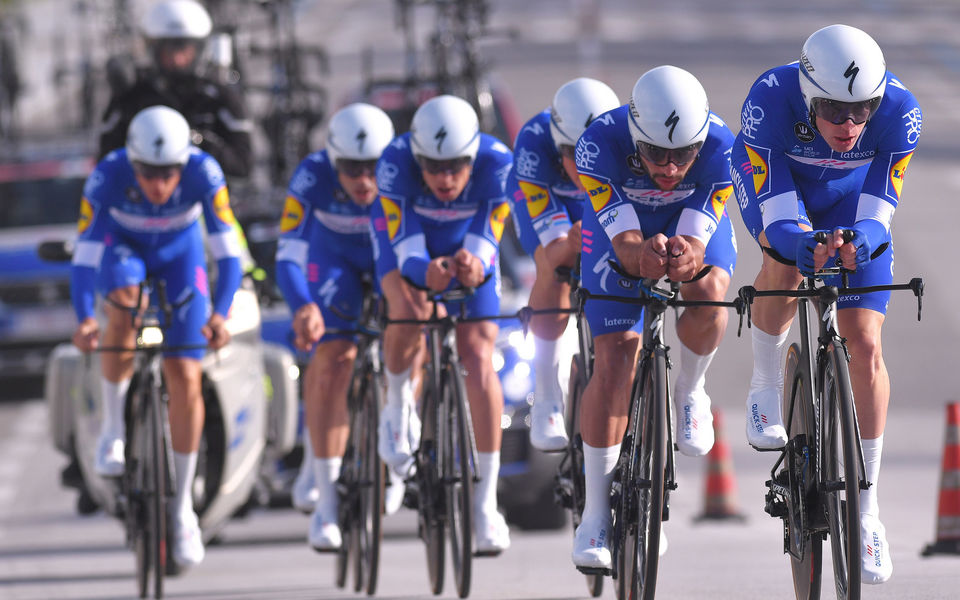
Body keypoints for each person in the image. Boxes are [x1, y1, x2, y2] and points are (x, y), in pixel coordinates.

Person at [731, 24, 921, 584]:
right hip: (782, 191)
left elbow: (880, 210)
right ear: (809, 95)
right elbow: (776, 215)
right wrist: (798, 242)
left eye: (862, 110)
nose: (850, 124)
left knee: (864, 345)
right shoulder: (770, 100)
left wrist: (863, 240)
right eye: (835, 110)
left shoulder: (901, 111)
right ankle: (766, 383)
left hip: (851, 203)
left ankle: (867, 512)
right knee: (786, 264)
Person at [571, 66, 738, 570]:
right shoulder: (598, 143)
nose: (669, 167)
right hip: (620, 231)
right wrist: (638, 255)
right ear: (633, 133)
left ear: (700, 141)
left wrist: (688, 256)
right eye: (655, 153)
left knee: (707, 290)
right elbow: (625, 246)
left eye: (683, 154)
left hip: (687, 223)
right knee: (616, 357)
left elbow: (699, 243)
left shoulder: (723, 148)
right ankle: (594, 514)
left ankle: (691, 388)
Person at [70, 105, 243, 568]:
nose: (159, 185)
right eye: (148, 173)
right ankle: (113, 430)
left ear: (183, 165)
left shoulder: (205, 173)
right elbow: (85, 255)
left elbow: (229, 254)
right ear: (133, 162)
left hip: (180, 257)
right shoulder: (107, 175)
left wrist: (220, 315)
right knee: (123, 305)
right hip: (122, 250)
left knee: (185, 372)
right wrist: (84, 318)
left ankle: (183, 508)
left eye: (169, 174)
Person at [371, 94, 514, 554]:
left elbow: (489, 235)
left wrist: (476, 266)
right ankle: (397, 401)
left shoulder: (499, 163)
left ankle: (485, 504)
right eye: (433, 167)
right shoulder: (394, 164)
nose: (445, 178)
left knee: (478, 353)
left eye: (456, 166)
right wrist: (423, 272)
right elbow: (407, 251)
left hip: (466, 246)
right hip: (405, 243)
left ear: (473, 156)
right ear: (418, 159)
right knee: (409, 309)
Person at [273, 102, 403, 550]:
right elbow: (288, 255)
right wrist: (302, 306)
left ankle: (399, 434)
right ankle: (324, 496)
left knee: (410, 337)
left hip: (389, 259)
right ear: (332, 161)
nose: (363, 180)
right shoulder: (311, 176)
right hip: (334, 263)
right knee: (332, 358)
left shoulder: (404, 172)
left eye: (373, 168)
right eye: (351, 169)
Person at [506, 77, 620, 452]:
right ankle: (547, 392)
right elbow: (556, 248)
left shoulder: (627, 136)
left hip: (599, 200)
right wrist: (571, 241)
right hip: (547, 198)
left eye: (595, 150)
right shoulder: (534, 144)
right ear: (557, 145)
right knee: (554, 266)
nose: (584, 163)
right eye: (573, 152)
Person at [98, 0, 252, 179]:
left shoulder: (219, 96)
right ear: (154, 49)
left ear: (199, 49)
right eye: (169, 50)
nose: (177, 60)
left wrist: (197, 142)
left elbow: (242, 167)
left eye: (184, 50)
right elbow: (106, 162)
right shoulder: (133, 94)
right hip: (143, 194)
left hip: (203, 194)